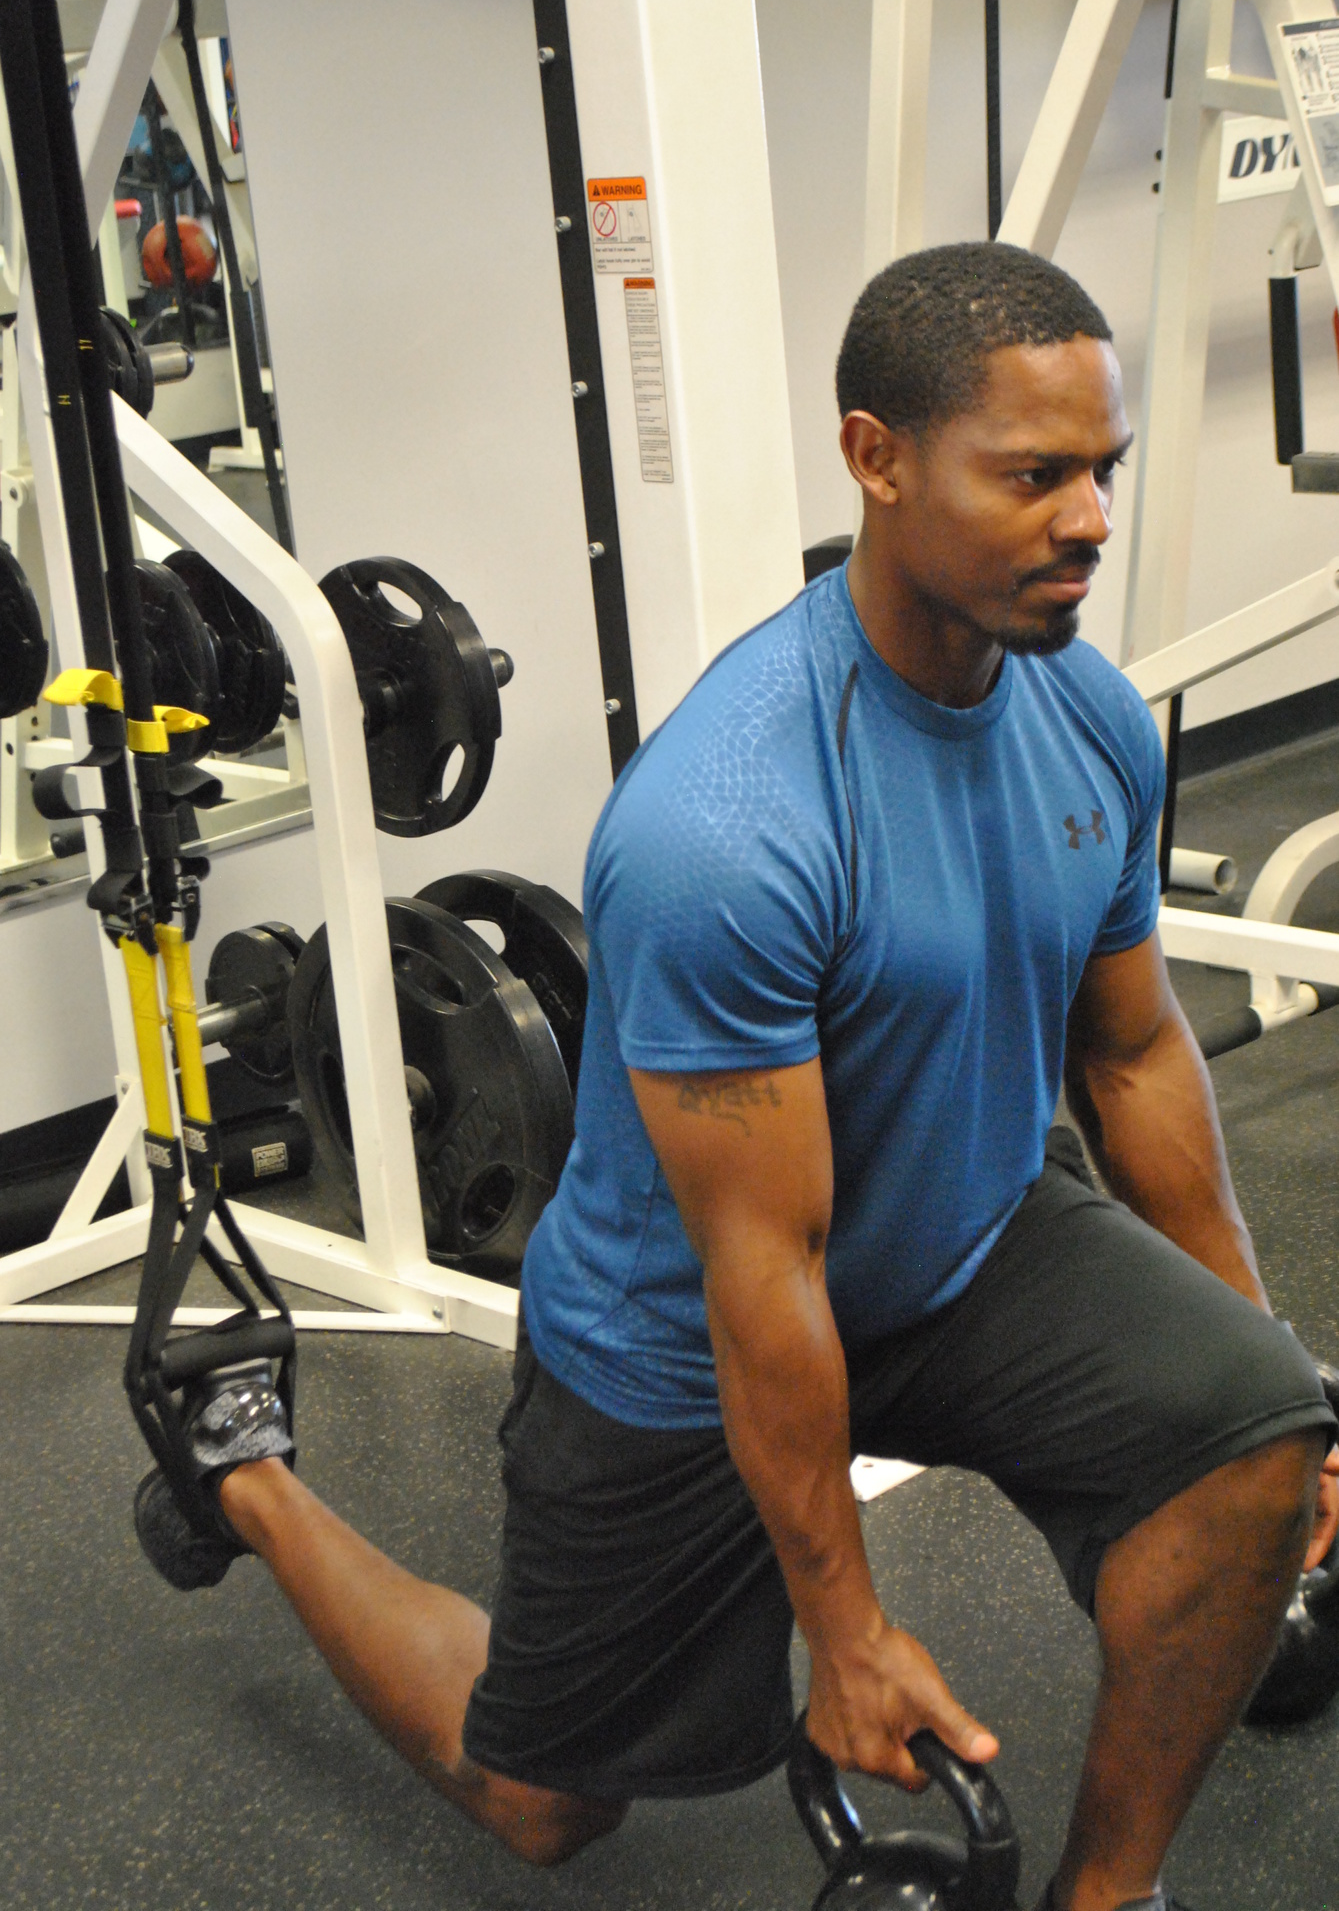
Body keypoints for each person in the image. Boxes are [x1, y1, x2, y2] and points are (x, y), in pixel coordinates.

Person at [134, 243, 1339, 1911]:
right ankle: (251, 1481)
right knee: (543, 1806)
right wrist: (845, 1627)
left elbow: (1132, 1055)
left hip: (971, 1238)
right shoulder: (729, 822)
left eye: (1103, 471)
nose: (1090, 522)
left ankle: (1108, 1897)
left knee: (1256, 1431)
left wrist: (1261, 1354)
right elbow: (761, 1269)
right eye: (1035, 476)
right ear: (877, 459)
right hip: (690, 1336)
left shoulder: (1089, 719)